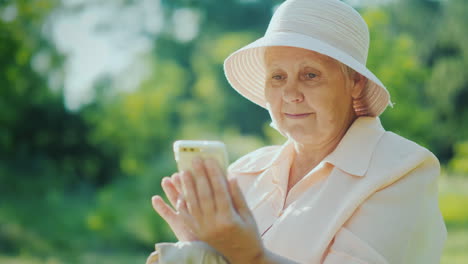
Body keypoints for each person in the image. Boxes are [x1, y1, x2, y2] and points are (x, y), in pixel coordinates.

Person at [147, 0, 447, 263]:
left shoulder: (402, 170)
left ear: (354, 82)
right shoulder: (243, 173)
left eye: (310, 75)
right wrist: (204, 249)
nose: (290, 94)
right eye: (278, 76)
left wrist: (248, 256)